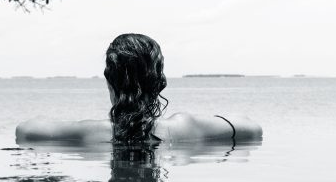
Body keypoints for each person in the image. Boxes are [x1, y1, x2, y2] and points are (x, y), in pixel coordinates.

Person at [15, 33, 263, 143]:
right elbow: (253, 129)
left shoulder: (91, 132)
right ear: (158, 81)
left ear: (109, 81)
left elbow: (25, 130)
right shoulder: (184, 126)